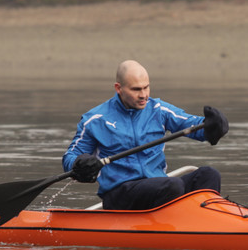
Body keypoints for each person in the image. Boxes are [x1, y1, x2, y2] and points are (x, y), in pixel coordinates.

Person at [63, 60, 229, 210]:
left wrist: (212, 126)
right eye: (136, 89)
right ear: (118, 88)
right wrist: (80, 163)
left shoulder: (159, 110)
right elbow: (70, 157)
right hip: (120, 194)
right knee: (172, 185)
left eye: (146, 87)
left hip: (158, 186)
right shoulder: (95, 120)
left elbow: (192, 125)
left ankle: (208, 221)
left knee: (209, 174)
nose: (143, 95)